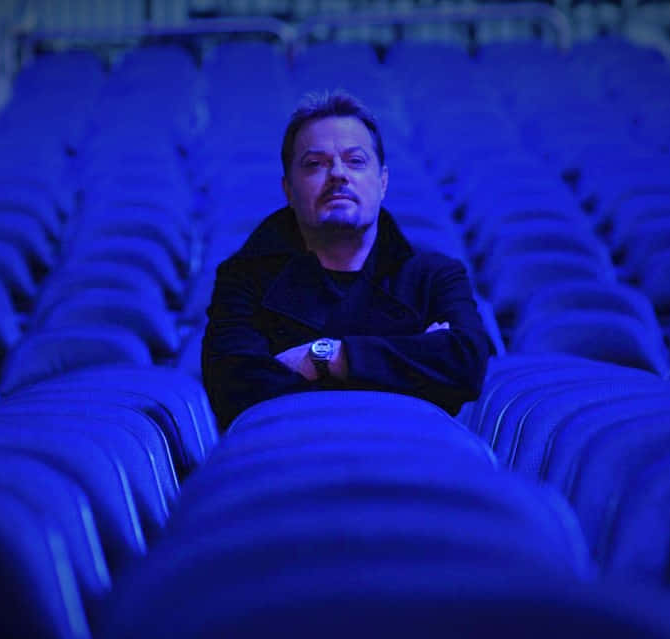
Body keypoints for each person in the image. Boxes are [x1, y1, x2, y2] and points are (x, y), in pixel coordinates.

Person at [201, 90, 492, 429]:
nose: (338, 174)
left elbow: (466, 365)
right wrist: (414, 356)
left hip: (413, 459)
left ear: (382, 182)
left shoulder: (435, 276)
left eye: (355, 161)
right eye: (315, 164)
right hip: (285, 459)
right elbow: (232, 390)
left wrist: (323, 356)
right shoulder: (244, 278)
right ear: (288, 189)